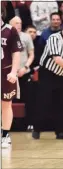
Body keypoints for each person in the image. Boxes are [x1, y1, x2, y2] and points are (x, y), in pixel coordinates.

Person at [1, 7, 22, 148]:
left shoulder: (10, 30)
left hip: (5, 71)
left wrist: (14, 72)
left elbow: (16, 53)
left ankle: (5, 135)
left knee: (6, 104)